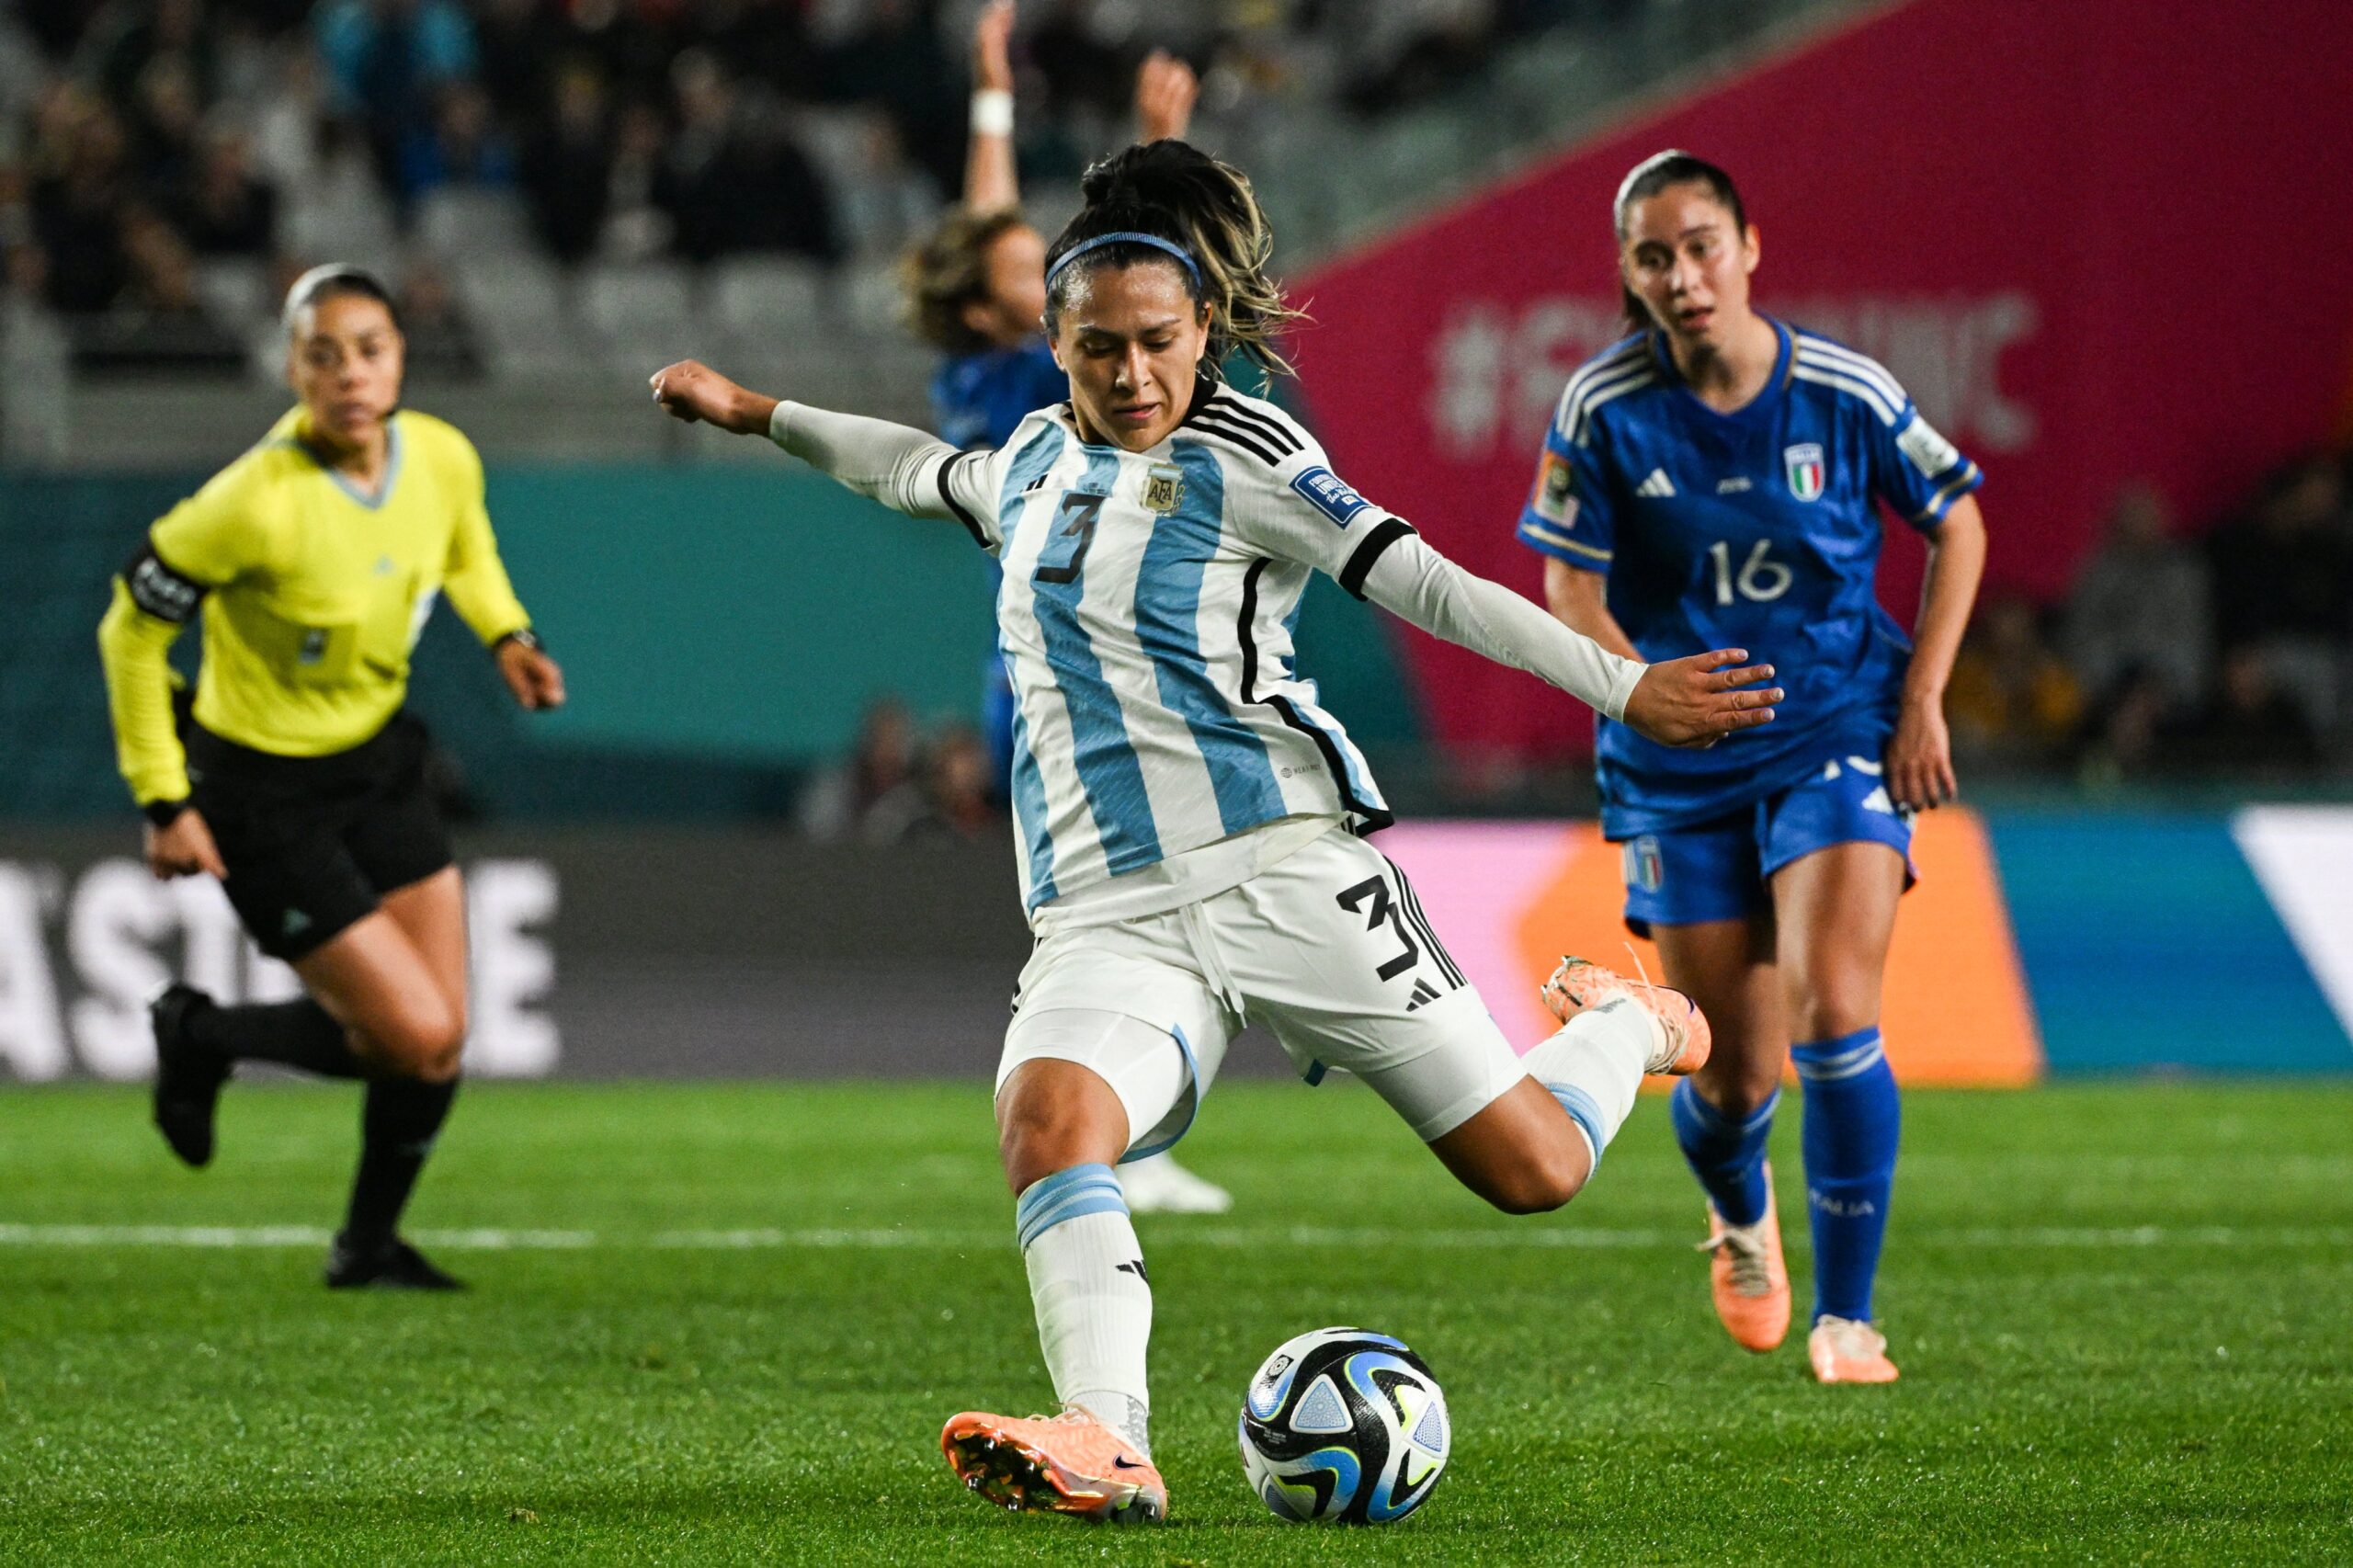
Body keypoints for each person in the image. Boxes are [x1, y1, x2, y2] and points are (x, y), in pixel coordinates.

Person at [652, 138, 1779, 1524]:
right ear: (1052, 344)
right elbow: (909, 470)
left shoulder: (1254, 452)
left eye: (1159, 344)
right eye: (1100, 349)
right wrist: (752, 408)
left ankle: (1634, 1024)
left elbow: (1425, 583)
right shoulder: (1030, 463)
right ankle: (1106, 1435)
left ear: (1202, 335)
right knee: (1047, 1124)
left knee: (1534, 1170)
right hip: (1108, 913)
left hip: (1286, 870)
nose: (1132, 376)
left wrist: (1623, 685)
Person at [1521, 152, 1988, 1384]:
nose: (1683, 275)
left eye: (1702, 246)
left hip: (1836, 722)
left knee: (1838, 1015)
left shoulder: (1842, 389)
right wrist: (1638, 689)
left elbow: (1959, 518)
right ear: (1628, 274)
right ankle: (1738, 1212)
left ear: (1750, 245)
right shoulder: (1603, 407)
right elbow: (1567, 582)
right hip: (1675, 757)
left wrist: (1925, 697)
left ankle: (1850, 1319)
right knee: (1730, 1075)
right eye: (1653, 257)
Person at [97, 264, 565, 1290]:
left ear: (399, 357)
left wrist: (507, 634)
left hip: (378, 760)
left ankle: (365, 1244)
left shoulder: (438, 454)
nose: (350, 372)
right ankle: (200, 1033)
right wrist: (163, 798)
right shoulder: (249, 503)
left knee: (438, 1043)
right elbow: (129, 633)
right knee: (416, 1031)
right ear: (290, 366)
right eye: (324, 352)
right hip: (261, 793)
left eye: (370, 349)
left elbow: (462, 545)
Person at [903, 1, 1228, 1217]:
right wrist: (1158, 161)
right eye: (1021, 269)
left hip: (1074, 672)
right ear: (1006, 312)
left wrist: (992, 90)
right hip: (1075, 682)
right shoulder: (1021, 376)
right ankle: (1115, 1136)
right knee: (1133, 911)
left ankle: (1111, 1127)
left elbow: (989, 221)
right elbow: (1129, 290)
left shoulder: (985, 354)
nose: (1035, 256)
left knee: (1120, 910)